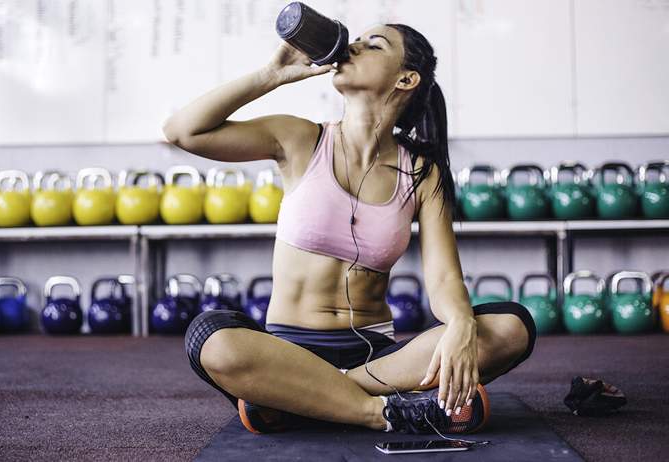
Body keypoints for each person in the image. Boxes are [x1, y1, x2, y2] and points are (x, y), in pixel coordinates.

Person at [163, 23, 536, 435]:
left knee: (511, 327)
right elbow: (183, 131)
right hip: (288, 350)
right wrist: (272, 74)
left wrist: (462, 325)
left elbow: (445, 278)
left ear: (406, 79)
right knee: (212, 338)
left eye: (373, 44)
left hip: (379, 360)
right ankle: (381, 412)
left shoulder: (421, 172)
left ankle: (301, 400)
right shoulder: (300, 139)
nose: (353, 45)